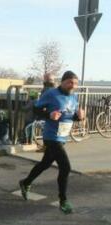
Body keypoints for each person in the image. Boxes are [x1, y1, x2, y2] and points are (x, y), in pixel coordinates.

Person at [19, 71, 85, 214]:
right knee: (66, 167)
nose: (72, 86)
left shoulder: (74, 97)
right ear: (63, 81)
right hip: (51, 137)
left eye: (75, 83)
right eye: (70, 82)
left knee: (45, 164)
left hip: (62, 137)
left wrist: (79, 117)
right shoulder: (51, 94)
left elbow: (69, 116)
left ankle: (25, 182)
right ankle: (63, 200)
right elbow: (36, 109)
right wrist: (48, 114)